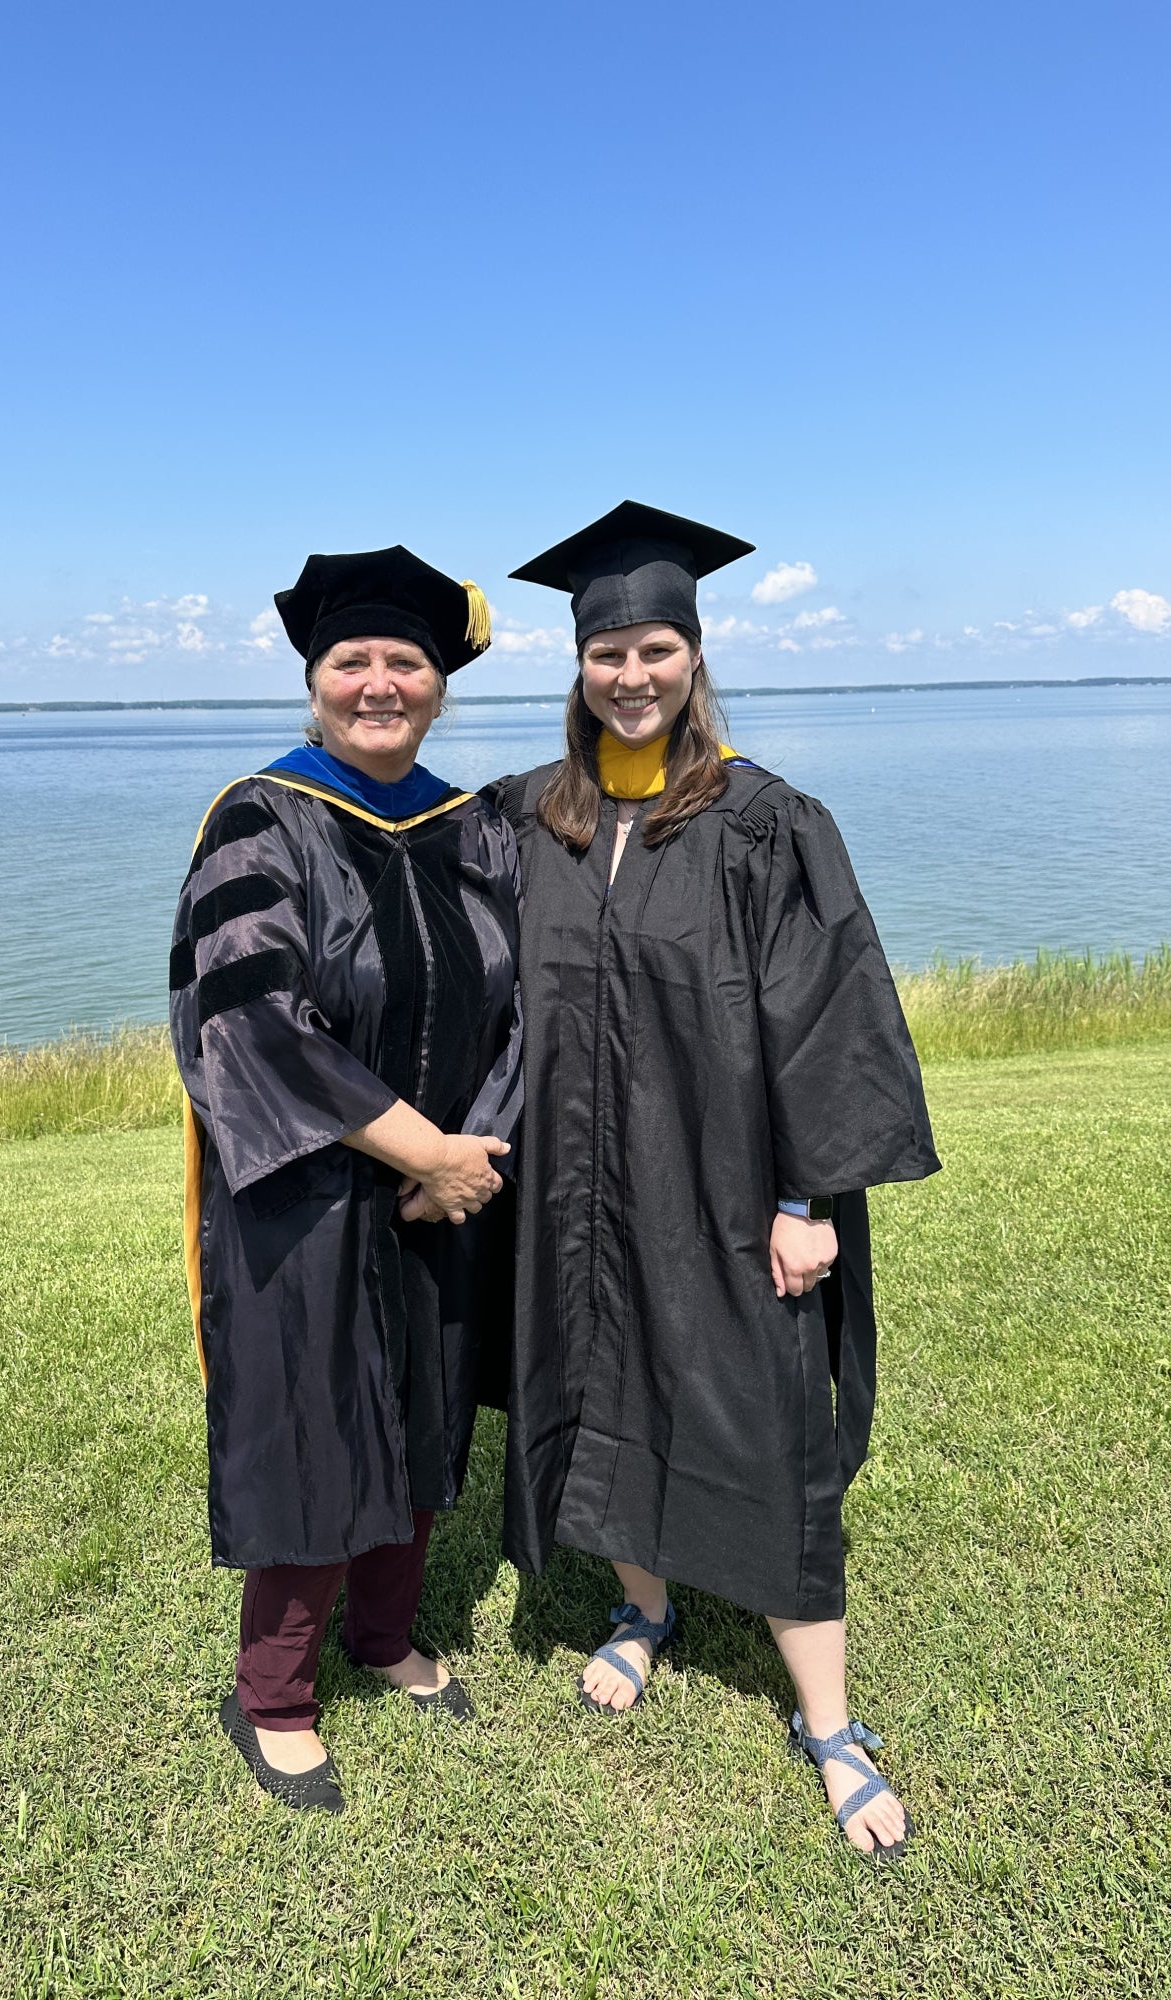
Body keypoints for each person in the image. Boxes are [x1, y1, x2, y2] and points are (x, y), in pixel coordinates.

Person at [491, 500, 940, 1859]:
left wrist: (806, 1205)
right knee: (593, 1383)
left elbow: (828, 1011)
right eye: (606, 652)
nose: (630, 675)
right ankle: (646, 1607)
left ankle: (829, 1724)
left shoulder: (763, 822)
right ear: (577, 665)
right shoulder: (533, 820)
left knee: (765, 1425)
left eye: (655, 649)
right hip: (576, 1191)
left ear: (695, 656)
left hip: (728, 1184)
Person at [170, 546, 521, 1814]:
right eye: (352, 662)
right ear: (316, 681)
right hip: (304, 1196)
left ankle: (384, 1634)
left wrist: (467, 1157)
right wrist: (415, 1147)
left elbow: (526, 1008)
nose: (379, 683)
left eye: (406, 663)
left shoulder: (471, 821)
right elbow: (250, 1019)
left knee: (422, 1413)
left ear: (441, 684)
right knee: (315, 1427)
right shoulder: (261, 818)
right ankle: (271, 1693)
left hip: (444, 1193)